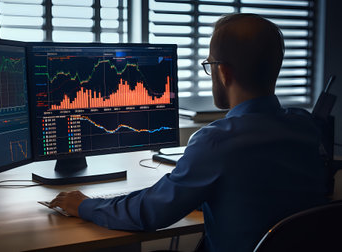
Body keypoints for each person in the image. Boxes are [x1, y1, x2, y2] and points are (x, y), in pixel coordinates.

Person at [49, 13, 330, 251]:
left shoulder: (217, 141)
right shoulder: (305, 127)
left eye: (210, 65)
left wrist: (84, 205)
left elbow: (150, 213)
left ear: (224, 73)